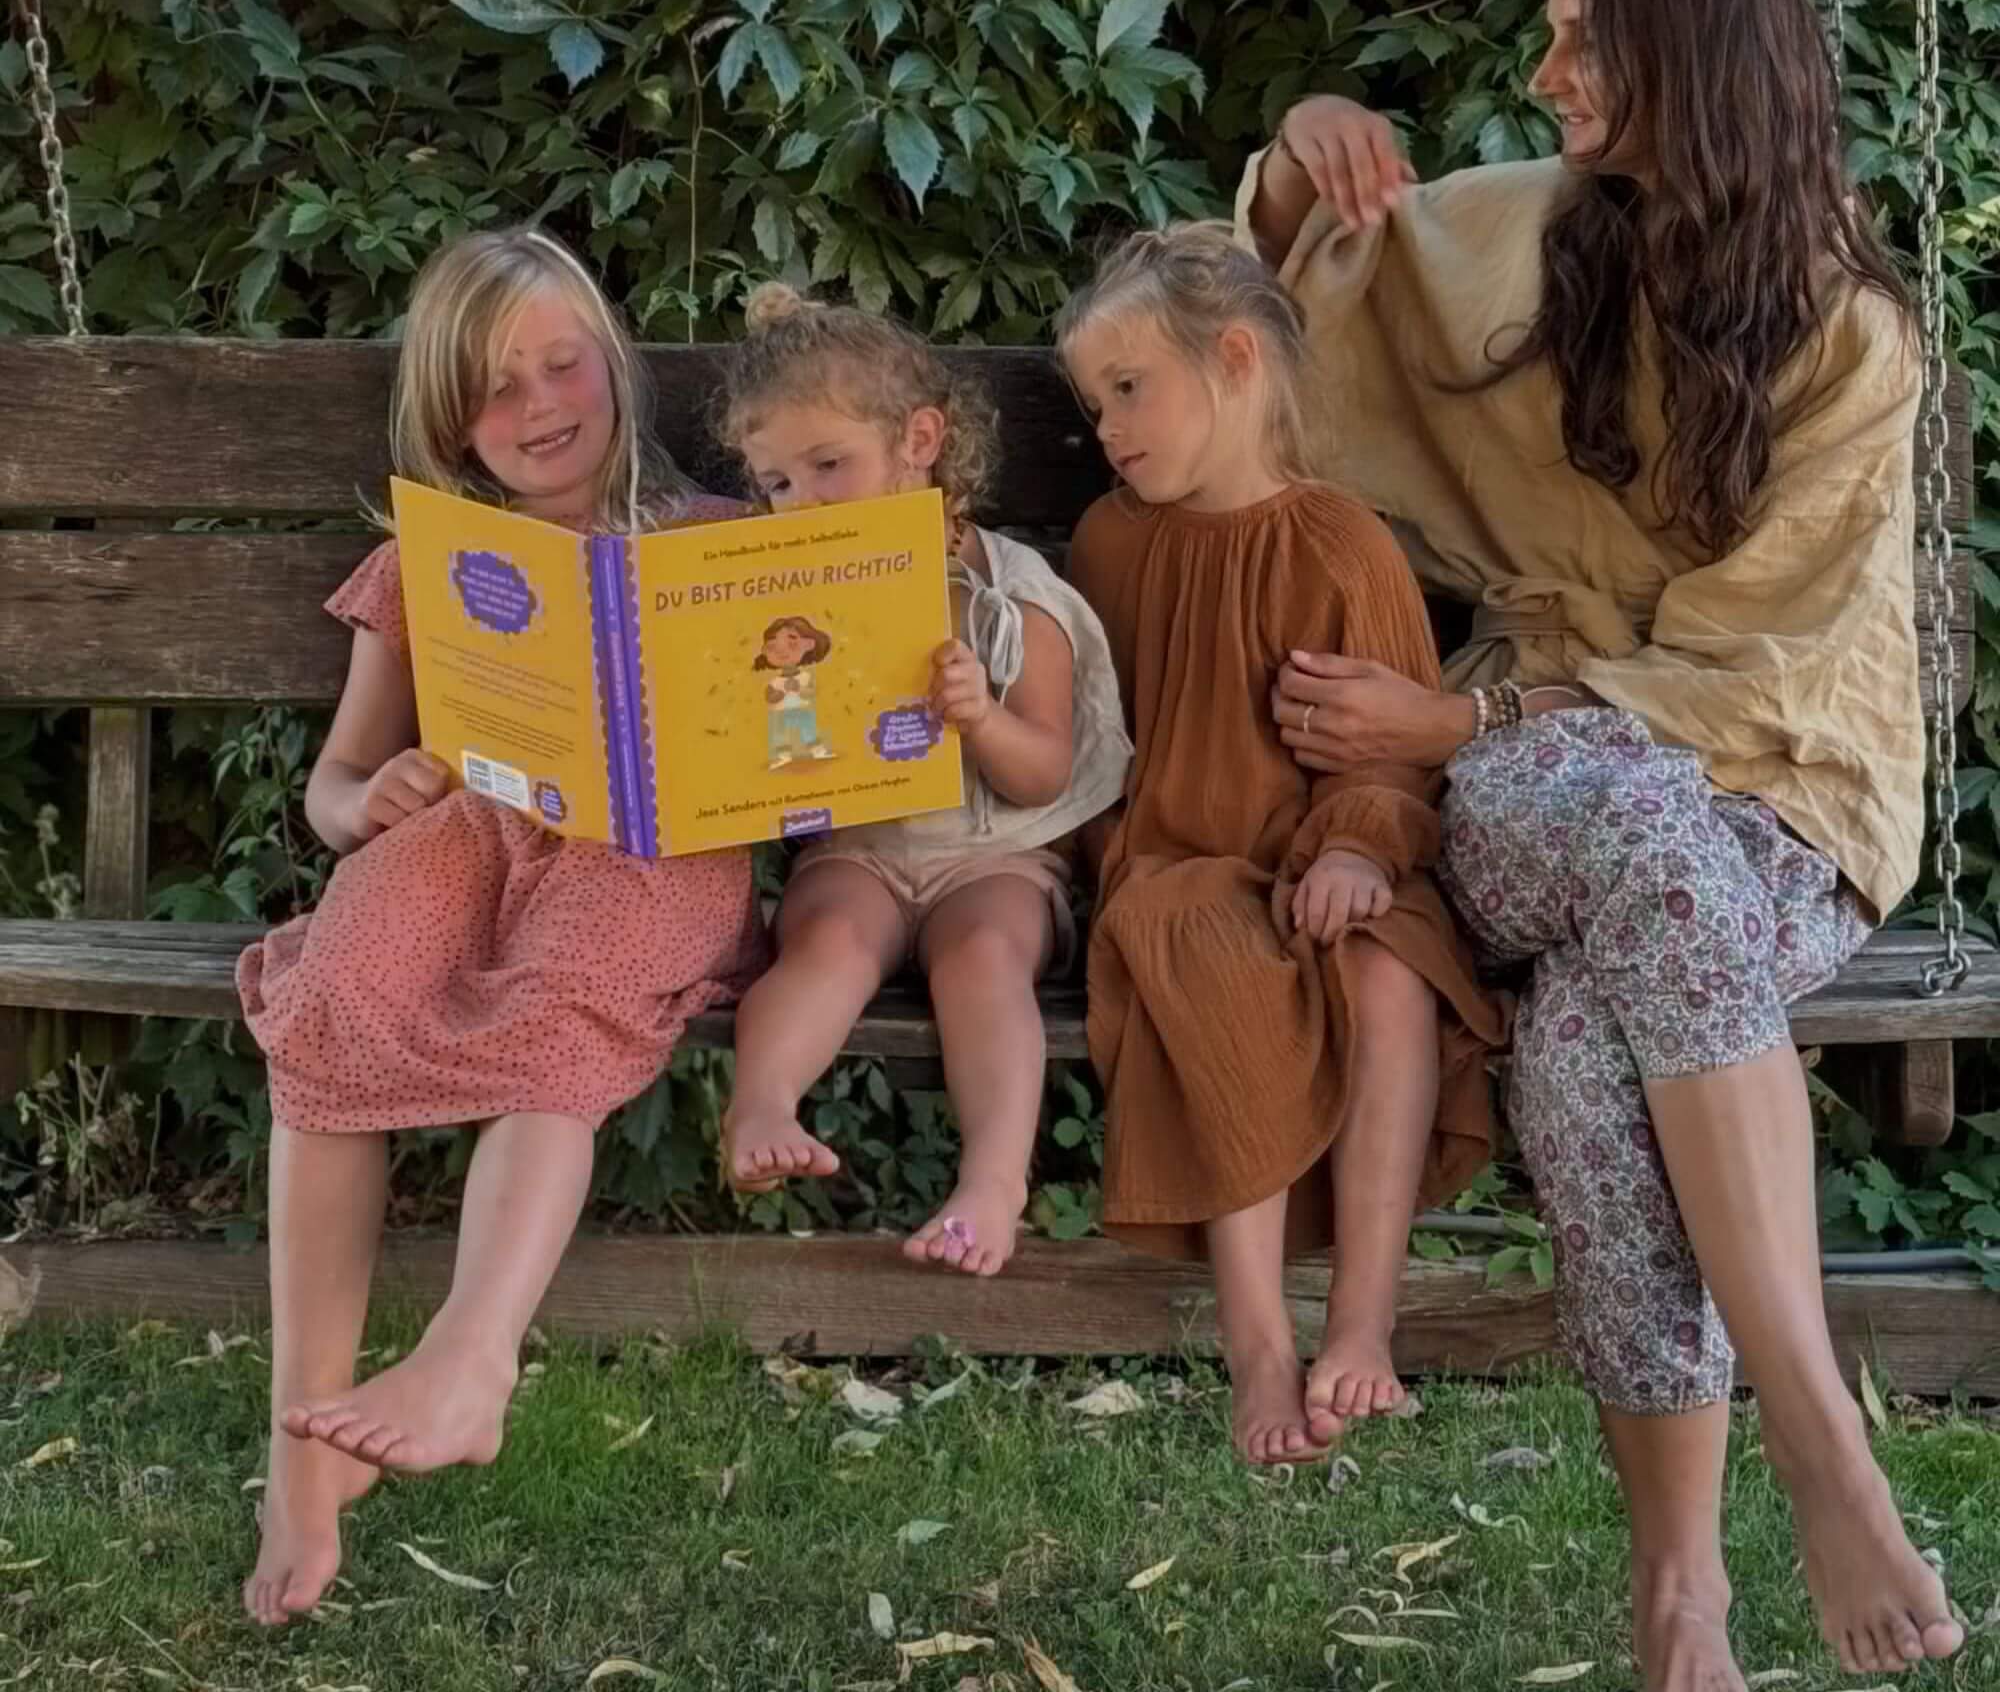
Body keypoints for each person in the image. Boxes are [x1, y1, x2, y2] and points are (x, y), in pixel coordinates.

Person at [1242, 0, 1964, 1687]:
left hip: (1783, 789)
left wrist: (1479, 729)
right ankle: (1820, 1440)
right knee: (1630, 826)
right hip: (1539, 782)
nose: (1550, 72)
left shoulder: (1846, 338)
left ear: (1693, 62)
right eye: (1554, 31)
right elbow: (1300, 290)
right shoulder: (1542, 235)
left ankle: (1681, 1598)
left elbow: (1765, 657)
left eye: (1585, 38)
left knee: (1580, 1051)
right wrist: (1293, 157)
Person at [236, 229, 766, 1627]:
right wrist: (372, 800)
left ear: (612, 361)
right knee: (338, 993)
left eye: (558, 360)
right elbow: (336, 782)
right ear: (447, 421)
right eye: (492, 386)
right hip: (474, 829)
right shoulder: (427, 565)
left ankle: (472, 1359)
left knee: (562, 999)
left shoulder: (721, 543)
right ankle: (301, 1450)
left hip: (655, 844)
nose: (538, 405)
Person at [1059, 222, 1504, 1461]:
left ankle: (1362, 1322)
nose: (1107, 427)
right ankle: (1258, 1342)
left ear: (1237, 361)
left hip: (1336, 852)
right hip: (1177, 864)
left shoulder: (1337, 544)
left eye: (1129, 388)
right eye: (1094, 403)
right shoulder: (1109, 544)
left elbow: (1395, 750)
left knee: (1390, 968)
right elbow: (1092, 732)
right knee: (1203, 947)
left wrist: (1356, 851)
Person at [715, 284, 1131, 1275]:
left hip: (994, 858)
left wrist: (979, 717)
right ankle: (761, 1105)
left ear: (920, 439)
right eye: (776, 482)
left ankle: (992, 1180)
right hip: (856, 845)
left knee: (983, 957)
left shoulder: (1010, 596)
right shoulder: (779, 598)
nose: (804, 501)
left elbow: (1044, 775)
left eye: (828, 465)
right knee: (822, 939)